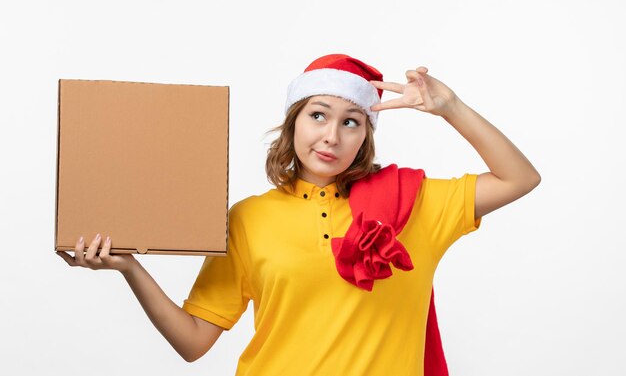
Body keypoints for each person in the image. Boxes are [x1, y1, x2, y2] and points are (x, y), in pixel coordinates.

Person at [57, 54, 541, 376]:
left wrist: (451, 107)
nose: (331, 135)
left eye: (350, 122)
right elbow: (194, 342)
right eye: (318, 114)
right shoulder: (249, 219)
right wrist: (129, 266)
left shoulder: (415, 204)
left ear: (365, 137)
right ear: (293, 123)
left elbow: (519, 178)